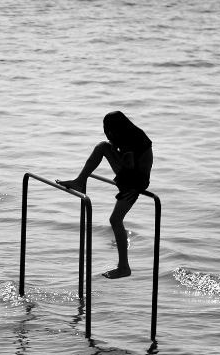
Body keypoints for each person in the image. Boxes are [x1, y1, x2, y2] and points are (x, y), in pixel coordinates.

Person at [58, 111, 153, 279]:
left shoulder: (129, 140)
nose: (107, 132)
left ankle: (124, 267)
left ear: (116, 128)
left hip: (134, 182)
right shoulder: (130, 133)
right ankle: (80, 180)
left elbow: (130, 165)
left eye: (108, 128)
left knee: (115, 220)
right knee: (102, 146)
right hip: (133, 177)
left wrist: (132, 188)